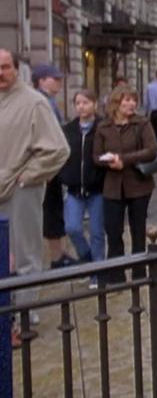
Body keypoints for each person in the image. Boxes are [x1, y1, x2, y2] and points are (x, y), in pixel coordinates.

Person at [0, 49, 70, 345]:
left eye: (4, 67)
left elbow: (57, 150)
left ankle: (25, 317)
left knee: (26, 254)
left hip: (19, 190)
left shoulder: (33, 103)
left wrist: (27, 178)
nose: (0, 73)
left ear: (16, 69)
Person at [94, 85, 157, 284]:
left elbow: (151, 151)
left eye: (133, 100)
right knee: (113, 231)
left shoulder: (142, 123)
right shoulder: (103, 127)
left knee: (138, 230)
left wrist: (124, 159)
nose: (131, 104)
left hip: (139, 184)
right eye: (127, 100)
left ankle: (139, 272)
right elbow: (96, 156)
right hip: (113, 186)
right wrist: (109, 161)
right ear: (116, 103)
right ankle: (116, 274)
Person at [33, 64, 79, 269]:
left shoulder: (49, 101)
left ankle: (58, 254)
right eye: (55, 78)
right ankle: (56, 257)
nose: (59, 82)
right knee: (51, 209)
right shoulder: (40, 102)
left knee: (54, 207)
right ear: (42, 80)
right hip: (47, 165)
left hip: (51, 164)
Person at [60, 90, 107, 288]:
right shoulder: (68, 129)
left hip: (96, 189)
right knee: (72, 227)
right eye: (78, 103)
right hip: (73, 189)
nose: (81, 107)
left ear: (94, 105)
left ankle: (97, 271)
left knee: (97, 232)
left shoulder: (102, 127)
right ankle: (87, 258)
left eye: (85, 102)